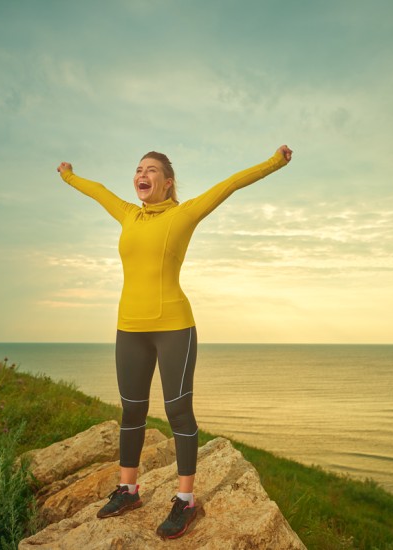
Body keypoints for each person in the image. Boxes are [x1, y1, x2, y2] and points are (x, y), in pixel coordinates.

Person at [55, 145, 293, 539]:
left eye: (150, 170)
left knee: (178, 411)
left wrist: (274, 162)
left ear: (167, 183)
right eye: (137, 169)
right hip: (129, 328)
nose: (140, 175)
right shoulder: (128, 214)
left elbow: (230, 185)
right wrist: (68, 175)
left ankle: (185, 501)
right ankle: (129, 489)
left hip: (174, 327)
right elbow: (96, 190)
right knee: (132, 411)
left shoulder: (184, 214)